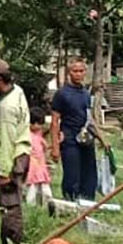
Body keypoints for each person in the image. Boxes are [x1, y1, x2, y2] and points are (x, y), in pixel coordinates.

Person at [0, 59, 32, 244]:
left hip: (12, 157)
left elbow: (7, 141)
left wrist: (5, 172)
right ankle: (13, 243)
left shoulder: (7, 107)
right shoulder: (16, 92)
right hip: (21, 152)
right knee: (14, 203)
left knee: (10, 204)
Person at [51, 58, 99, 201]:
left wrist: (103, 139)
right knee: (72, 174)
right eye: (75, 71)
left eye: (81, 71)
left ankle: (87, 202)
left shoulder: (86, 94)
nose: (78, 74)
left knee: (89, 173)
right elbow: (54, 121)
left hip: (86, 138)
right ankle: (70, 202)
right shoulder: (62, 94)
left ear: (85, 72)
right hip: (69, 138)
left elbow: (90, 119)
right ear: (69, 73)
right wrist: (55, 147)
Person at [25, 107, 54, 208]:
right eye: (38, 124)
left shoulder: (39, 134)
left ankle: (49, 201)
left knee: (44, 184)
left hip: (40, 163)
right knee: (32, 187)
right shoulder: (27, 134)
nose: (40, 126)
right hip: (32, 164)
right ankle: (30, 205)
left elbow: (45, 146)